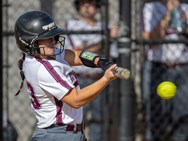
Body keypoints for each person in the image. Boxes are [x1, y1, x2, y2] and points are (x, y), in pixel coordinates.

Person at [14, 10, 118, 141]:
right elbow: (76, 100)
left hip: (64, 134)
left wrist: (98, 60)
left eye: (53, 36)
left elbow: (77, 55)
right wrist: (106, 79)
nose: (52, 41)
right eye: (46, 38)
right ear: (29, 43)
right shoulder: (44, 68)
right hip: (58, 135)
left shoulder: (41, 56)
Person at [64, 0, 119, 140]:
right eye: (83, 3)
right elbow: (81, 52)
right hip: (79, 79)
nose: (87, 7)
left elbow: (112, 55)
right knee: (73, 120)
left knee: (99, 120)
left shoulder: (104, 26)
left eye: (91, 3)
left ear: (97, 6)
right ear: (78, 6)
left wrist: (111, 39)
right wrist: (107, 39)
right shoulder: (72, 24)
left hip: (99, 79)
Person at [142, 0, 188, 141]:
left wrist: (182, 18)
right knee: (155, 116)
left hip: (182, 67)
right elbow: (151, 38)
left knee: (182, 117)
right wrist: (168, 14)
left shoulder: (186, 8)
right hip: (157, 67)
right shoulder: (151, 8)